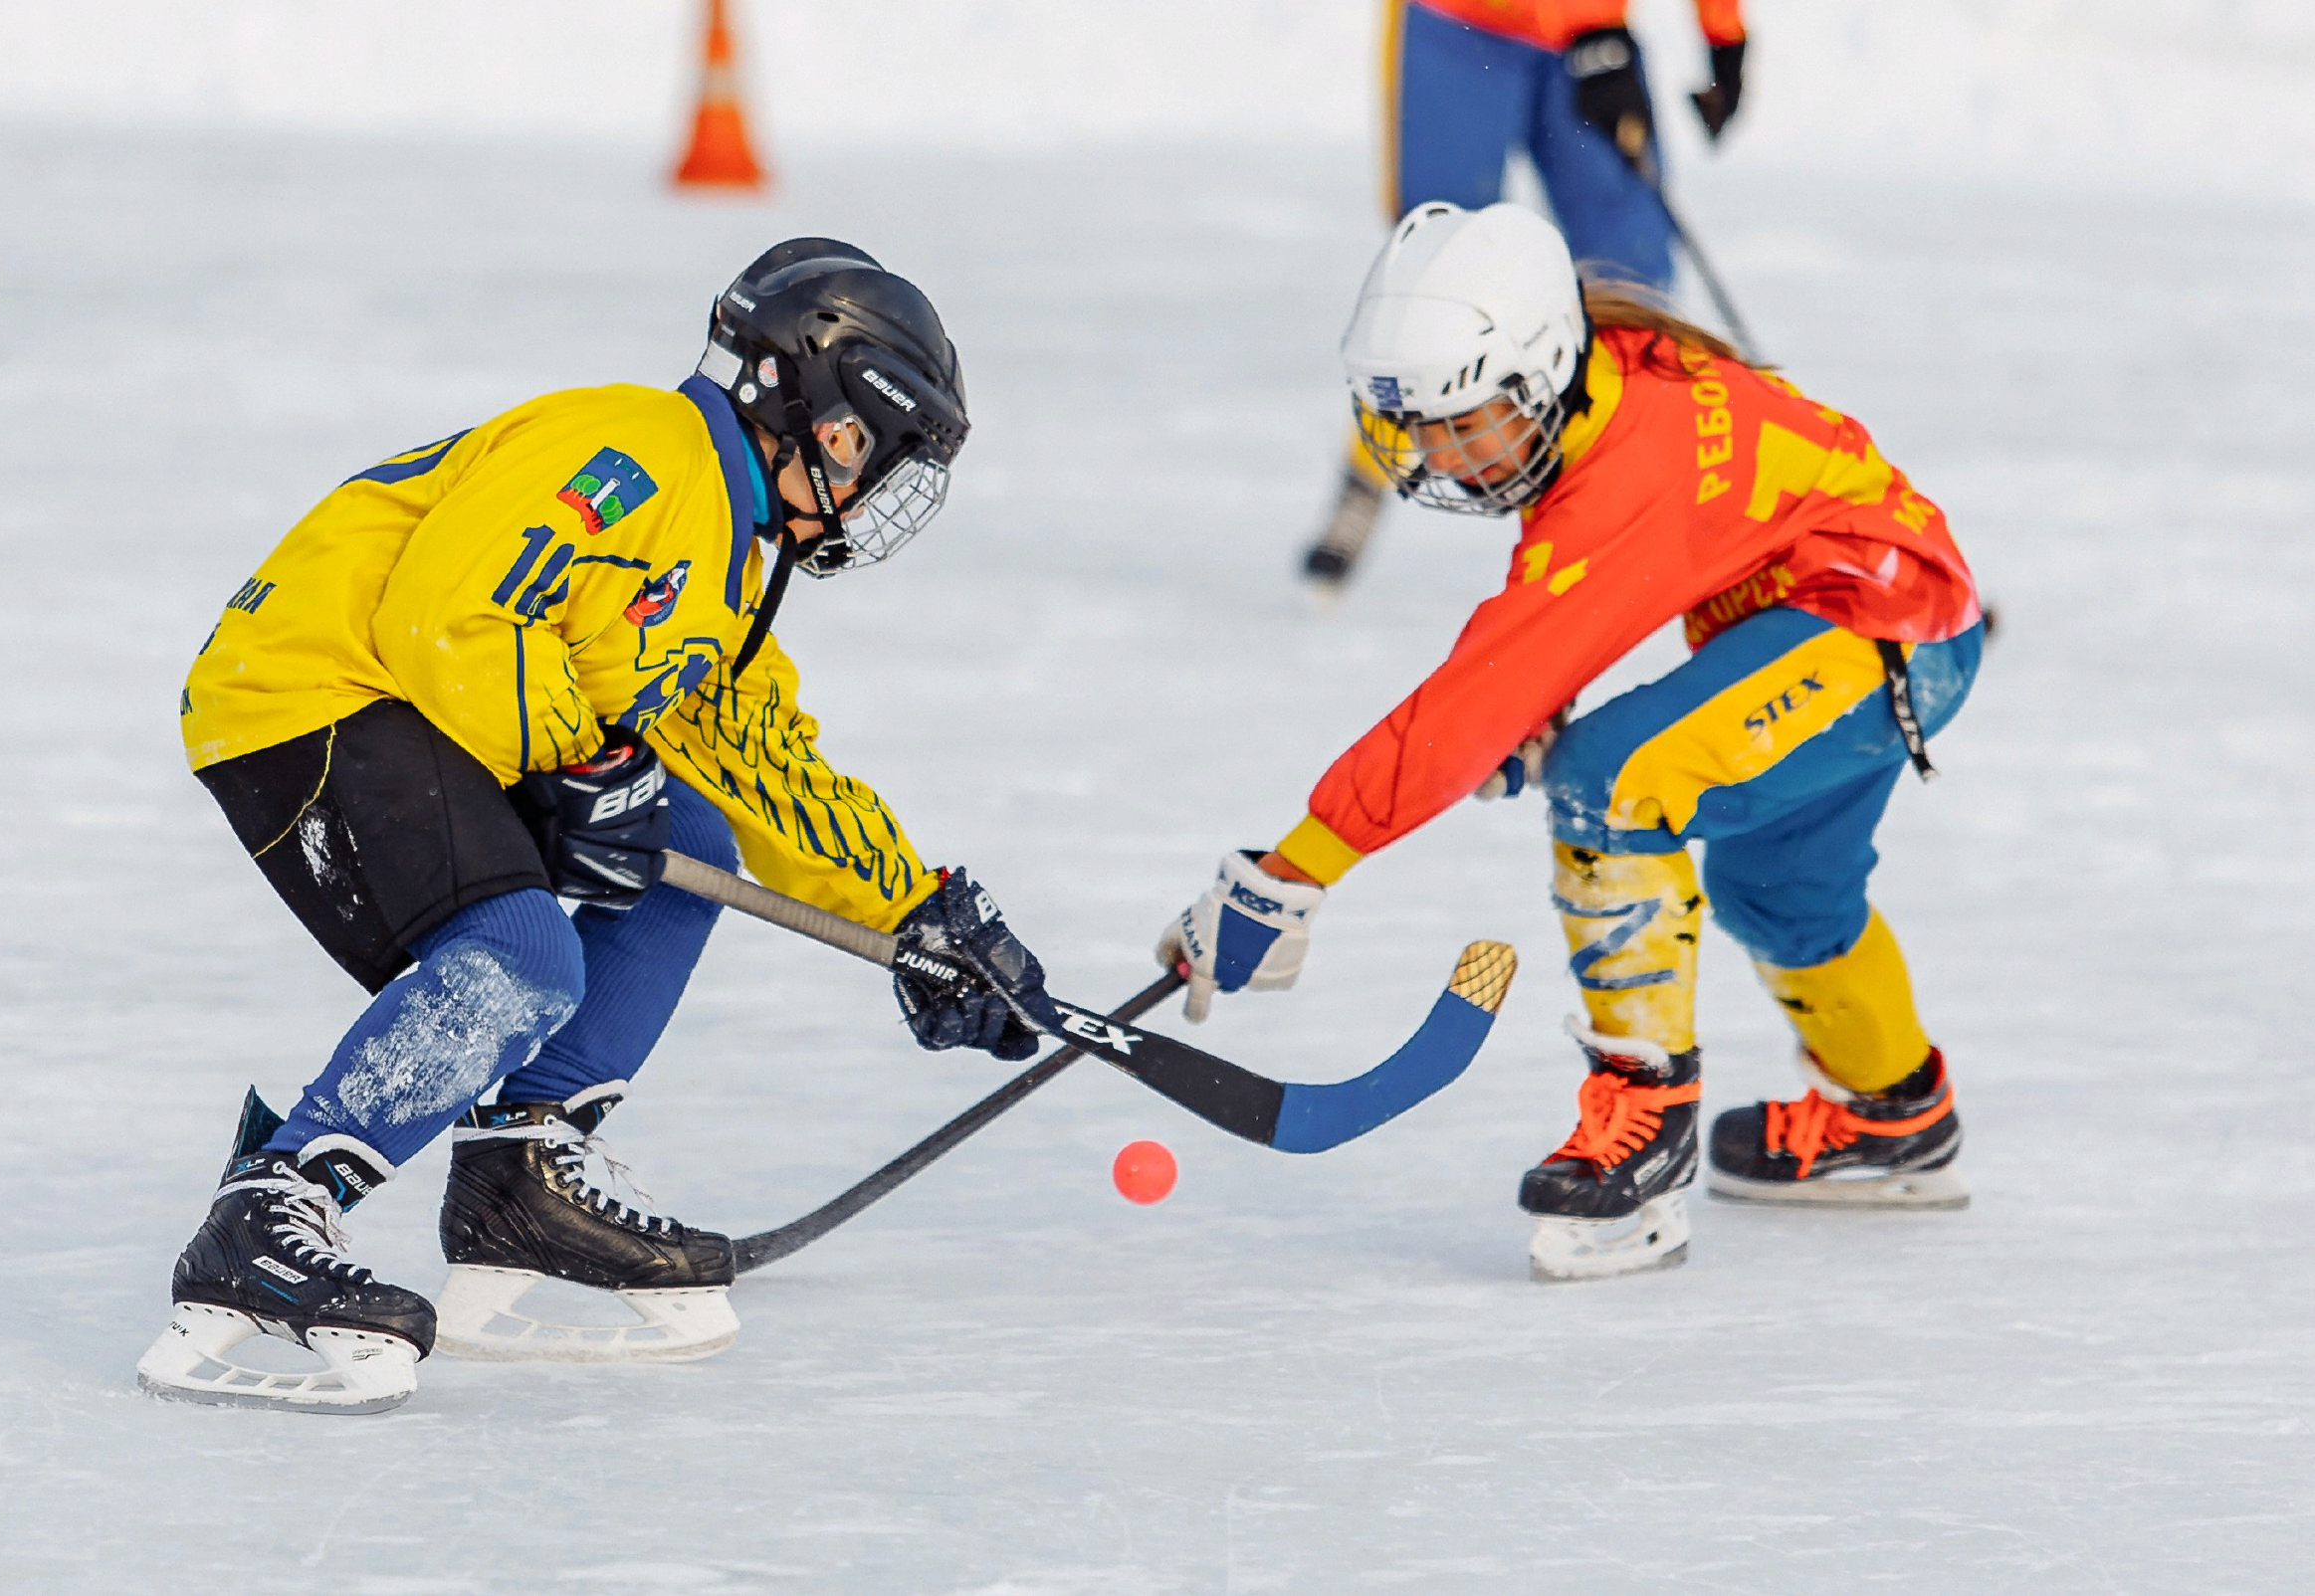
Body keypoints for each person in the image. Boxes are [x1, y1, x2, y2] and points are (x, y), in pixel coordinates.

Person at [137, 239, 1060, 1413]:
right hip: (307, 697)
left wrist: (915, 913)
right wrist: (587, 759)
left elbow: (757, 759)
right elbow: (448, 611)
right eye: (866, 448)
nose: (871, 488)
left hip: (433, 710)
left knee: (692, 850)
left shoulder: (724, 563)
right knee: (522, 954)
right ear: (808, 403)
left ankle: (519, 1177)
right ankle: (266, 1217)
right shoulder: (633, 449)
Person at [1164, 202, 1983, 1282]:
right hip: (1880, 625)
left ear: (1541, 369)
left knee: (1609, 781)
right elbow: (1582, 607)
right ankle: (1896, 1116)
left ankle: (1644, 1124)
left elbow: (1480, 688)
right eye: (1418, 428)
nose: (1441, 456)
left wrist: (1290, 873)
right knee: (1779, 892)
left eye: (1466, 422)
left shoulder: (1630, 452)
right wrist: (1527, 704)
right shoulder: (1603, 397)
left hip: (1875, 635)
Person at [1303, 0, 1751, 592]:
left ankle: (1635, 486)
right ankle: (1372, 470)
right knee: (1435, 272)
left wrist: (1723, 34)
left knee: (1633, 270)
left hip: (1586, 35)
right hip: (1461, 26)